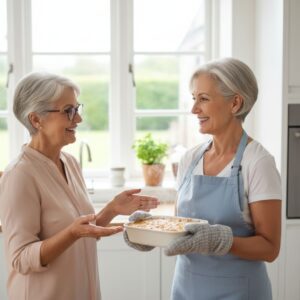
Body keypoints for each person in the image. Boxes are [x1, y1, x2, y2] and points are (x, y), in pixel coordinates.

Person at [125, 58, 282, 300]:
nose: (194, 109)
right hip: (186, 288)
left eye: (204, 99)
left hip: (239, 292)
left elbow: (270, 248)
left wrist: (224, 241)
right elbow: (184, 227)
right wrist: (148, 231)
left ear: (235, 103)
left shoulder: (258, 162)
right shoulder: (190, 159)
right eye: (194, 98)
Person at [0, 72, 159, 300]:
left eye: (77, 109)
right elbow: (20, 258)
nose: (78, 120)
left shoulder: (70, 163)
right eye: (68, 111)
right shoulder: (19, 174)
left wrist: (112, 209)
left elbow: (83, 231)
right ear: (36, 120)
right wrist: (71, 233)